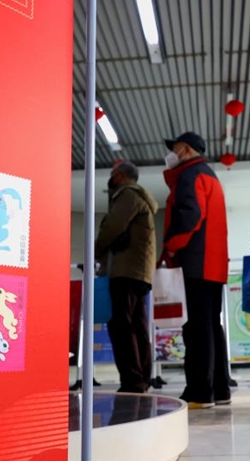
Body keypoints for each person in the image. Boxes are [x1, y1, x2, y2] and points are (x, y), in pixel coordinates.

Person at [161, 132, 230, 409]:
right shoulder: (210, 175)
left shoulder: (190, 175)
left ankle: (200, 392)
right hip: (212, 264)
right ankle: (220, 389)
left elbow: (190, 215)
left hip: (195, 263)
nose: (171, 154)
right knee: (212, 326)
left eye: (174, 148)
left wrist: (172, 246)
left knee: (197, 329)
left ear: (186, 149)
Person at [95, 161, 158, 393]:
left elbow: (112, 227)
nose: (110, 179)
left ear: (120, 176)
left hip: (125, 270)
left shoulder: (127, 196)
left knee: (122, 326)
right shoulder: (140, 198)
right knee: (137, 326)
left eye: (112, 175)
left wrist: (96, 249)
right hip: (139, 271)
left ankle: (133, 380)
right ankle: (142, 378)